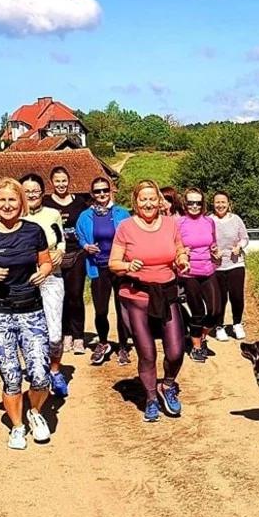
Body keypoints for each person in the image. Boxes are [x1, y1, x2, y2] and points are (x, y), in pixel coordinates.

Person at [0, 178, 55, 450]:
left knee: (40, 374)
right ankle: (17, 427)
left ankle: (35, 412)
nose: (7, 205)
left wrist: (43, 273)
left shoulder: (33, 231)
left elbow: (46, 262)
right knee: (11, 376)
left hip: (31, 311)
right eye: (2, 200)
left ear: (22, 203)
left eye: (12, 200)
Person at [109, 180, 191, 422]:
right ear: (135, 202)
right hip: (136, 296)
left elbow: (179, 250)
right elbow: (113, 263)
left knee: (176, 351)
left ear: (159, 201)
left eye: (152, 198)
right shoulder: (125, 227)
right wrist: (127, 265)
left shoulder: (170, 224)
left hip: (166, 294)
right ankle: (151, 398)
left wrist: (182, 259)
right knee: (146, 353)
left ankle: (167, 385)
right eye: (142, 199)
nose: (148, 203)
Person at [19, 174, 70, 397]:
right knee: (26, 330)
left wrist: (60, 250)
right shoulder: (14, 216)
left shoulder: (52, 214)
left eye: (35, 190)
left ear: (42, 192)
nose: (31, 194)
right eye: (26, 190)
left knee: (55, 333)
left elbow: (60, 239)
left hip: (52, 277)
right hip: (24, 280)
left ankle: (55, 370)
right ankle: (35, 369)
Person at [75, 176, 132, 366]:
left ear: (110, 191)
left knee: (122, 308)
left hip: (119, 267)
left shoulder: (122, 213)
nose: (102, 194)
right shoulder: (85, 216)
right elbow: (80, 237)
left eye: (105, 190)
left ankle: (123, 346)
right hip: (98, 266)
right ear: (92, 194)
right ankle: (103, 342)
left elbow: (131, 238)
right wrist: (86, 246)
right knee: (101, 310)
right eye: (97, 191)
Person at [45, 166, 92, 356]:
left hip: (76, 253)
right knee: (59, 296)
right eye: (57, 181)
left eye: (64, 180)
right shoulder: (46, 203)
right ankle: (65, 334)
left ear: (69, 181)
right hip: (54, 255)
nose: (61, 184)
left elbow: (89, 222)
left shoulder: (80, 203)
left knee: (75, 295)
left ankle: (79, 336)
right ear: (51, 182)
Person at [176, 188, 221, 363]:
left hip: (208, 269)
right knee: (198, 313)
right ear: (185, 204)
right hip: (189, 273)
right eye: (191, 202)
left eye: (198, 203)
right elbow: (173, 247)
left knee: (216, 311)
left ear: (203, 204)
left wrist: (215, 252)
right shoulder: (179, 223)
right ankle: (196, 347)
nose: (194, 206)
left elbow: (213, 244)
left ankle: (200, 336)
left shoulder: (209, 221)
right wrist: (180, 252)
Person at [210, 191, 249, 341]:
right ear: (213, 204)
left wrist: (239, 246)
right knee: (220, 299)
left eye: (223, 202)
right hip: (217, 266)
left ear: (228, 203)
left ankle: (237, 324)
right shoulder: (209, 220)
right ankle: (219, 327)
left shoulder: (236, 220)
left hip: (236, 263)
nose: (220, 205)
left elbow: (245, 238)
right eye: (217, 202)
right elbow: (205, 240)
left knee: (237, 296)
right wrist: (212, 251)